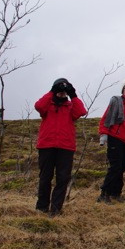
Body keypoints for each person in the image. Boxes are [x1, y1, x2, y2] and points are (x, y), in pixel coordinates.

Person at [34, 78, 87, 217]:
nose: (62, 92)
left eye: (64, 91)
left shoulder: (70, 107)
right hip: (46, 145)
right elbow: (39, 106)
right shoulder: (47, 105)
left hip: (66, 147)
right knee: (45, 177)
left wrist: (73, 95)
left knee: (63, 179)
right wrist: (52, 91)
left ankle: (55, 210)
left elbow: (81, 111)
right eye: (59, 89)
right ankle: (42, 207)